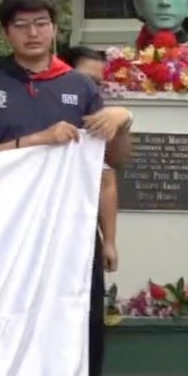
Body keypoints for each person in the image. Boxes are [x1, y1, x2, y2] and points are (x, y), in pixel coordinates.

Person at [0, 0, 132, 376]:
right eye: (21, 25)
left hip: (71, 231)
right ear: (6, 32)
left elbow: (110, 165)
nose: (32, 33)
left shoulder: (80, 86)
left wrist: (124, 119)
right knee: (1, 323)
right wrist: (36, 140)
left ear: (54, 29)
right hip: (0, 229)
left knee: (78, 323)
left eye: (41, 24)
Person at [64, 45, 119, 273]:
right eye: (87, 80)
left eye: (98, 83)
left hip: (81, 234)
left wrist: (108, 242)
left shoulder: (95, 124)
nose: (92, 89)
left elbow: (106, 183)